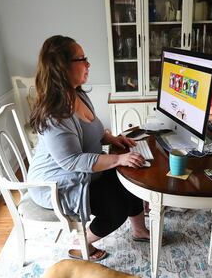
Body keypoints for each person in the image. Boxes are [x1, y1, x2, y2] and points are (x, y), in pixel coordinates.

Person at [27, 35, 149, 261]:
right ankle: (80, 242)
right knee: (115, 210)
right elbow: (71, 161)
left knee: (130, 179)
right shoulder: (55, 113)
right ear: (62, 67)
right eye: (82, 59)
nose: (88, 64)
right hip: (57, 182)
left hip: (82, 171)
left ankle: (140, 230)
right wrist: (117, 160)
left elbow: (91, 132)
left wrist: (111, 139)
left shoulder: (78, 93)